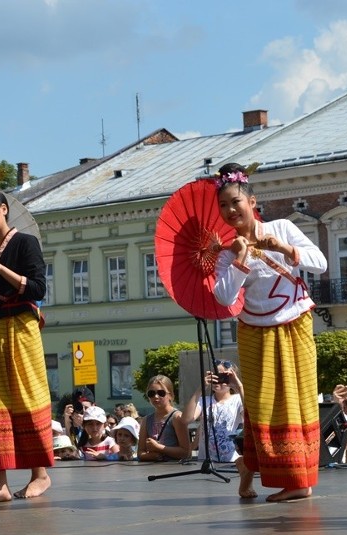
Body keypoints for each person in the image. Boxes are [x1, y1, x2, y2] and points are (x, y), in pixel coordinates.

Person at [213, 162, 327, 502]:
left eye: (236, 201)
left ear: (252, 201)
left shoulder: (281, 227)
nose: (230, 210)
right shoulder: (229, 250)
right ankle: (252, 473)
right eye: (223, 205)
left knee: (297, 400)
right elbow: (223, 297)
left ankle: (298, 481)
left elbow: (319, 262)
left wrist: (281, 247)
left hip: (294, 323)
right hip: (255, 330)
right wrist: (239, 259)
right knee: (260, 407)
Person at [0, 180, 53, 503]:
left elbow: (36, 289)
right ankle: (0, 483)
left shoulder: (25, 243)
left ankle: (40, 475)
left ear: (3, 209)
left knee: (27, 398)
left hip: (20, 329)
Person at [181, 364, 254, 498]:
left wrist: (239, 387)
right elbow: (186, 419)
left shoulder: (237, 399)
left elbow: (251, 415)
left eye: (223, 377)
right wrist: (200, 389)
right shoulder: (204, 400)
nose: (218, 381)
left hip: (230, 461)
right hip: (206, 461)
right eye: (215, 376)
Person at [137, 375, 190, 462]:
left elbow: (186, 453)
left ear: (170, 395)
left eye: (161, 393)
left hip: (174, 469)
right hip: (153, 470)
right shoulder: (146, 420)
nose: (156, 397)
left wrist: (158, 448)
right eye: (151, 393)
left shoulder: (176, 417)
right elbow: (140, 453)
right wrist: (153, 456)